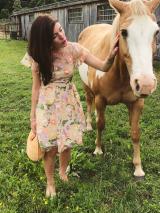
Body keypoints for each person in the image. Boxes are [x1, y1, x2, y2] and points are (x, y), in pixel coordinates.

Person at [21, 14, 119, 197]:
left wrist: (111, 56)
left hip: (68, 103)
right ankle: (50, 182)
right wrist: (32, 117)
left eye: (61, 29)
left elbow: (103, 66)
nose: (62, 36)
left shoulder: (74, 49)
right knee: (49, 148)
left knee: (67, 144)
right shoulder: (38, 56)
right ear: (45, 41)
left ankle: (63, 172)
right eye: (55, 36)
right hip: (46, 105)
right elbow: (36, 88)